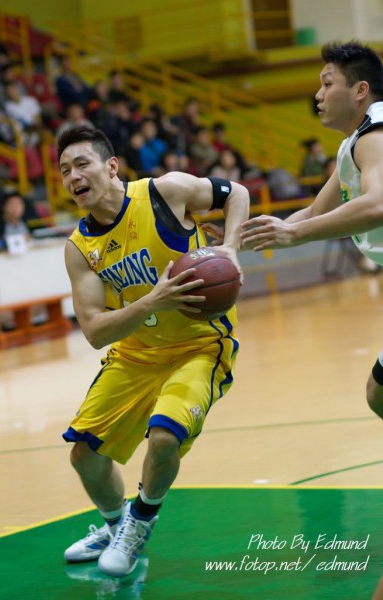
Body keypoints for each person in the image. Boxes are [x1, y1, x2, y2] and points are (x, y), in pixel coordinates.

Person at [57, 125, 249, 577]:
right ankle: (116, 525)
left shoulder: (165, 192)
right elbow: (95, 332)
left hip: (201, 344)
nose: (73, 176)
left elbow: (236, 193)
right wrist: (151, 302)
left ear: (111, 166)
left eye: (81, 164)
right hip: (137, 352)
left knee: (164, 437)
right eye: (64, 171)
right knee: (84, 454)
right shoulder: (80, 248)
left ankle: (139, 523)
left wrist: (231, 248)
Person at [239, 41, 383, 419]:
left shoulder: (375, 135)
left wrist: (295, 235)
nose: (318, 95)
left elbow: (377, 204)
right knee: (379, 394)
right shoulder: (355, 141)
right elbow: (316, 211)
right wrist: (233, 241)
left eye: (327, 84)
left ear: (360, 90)